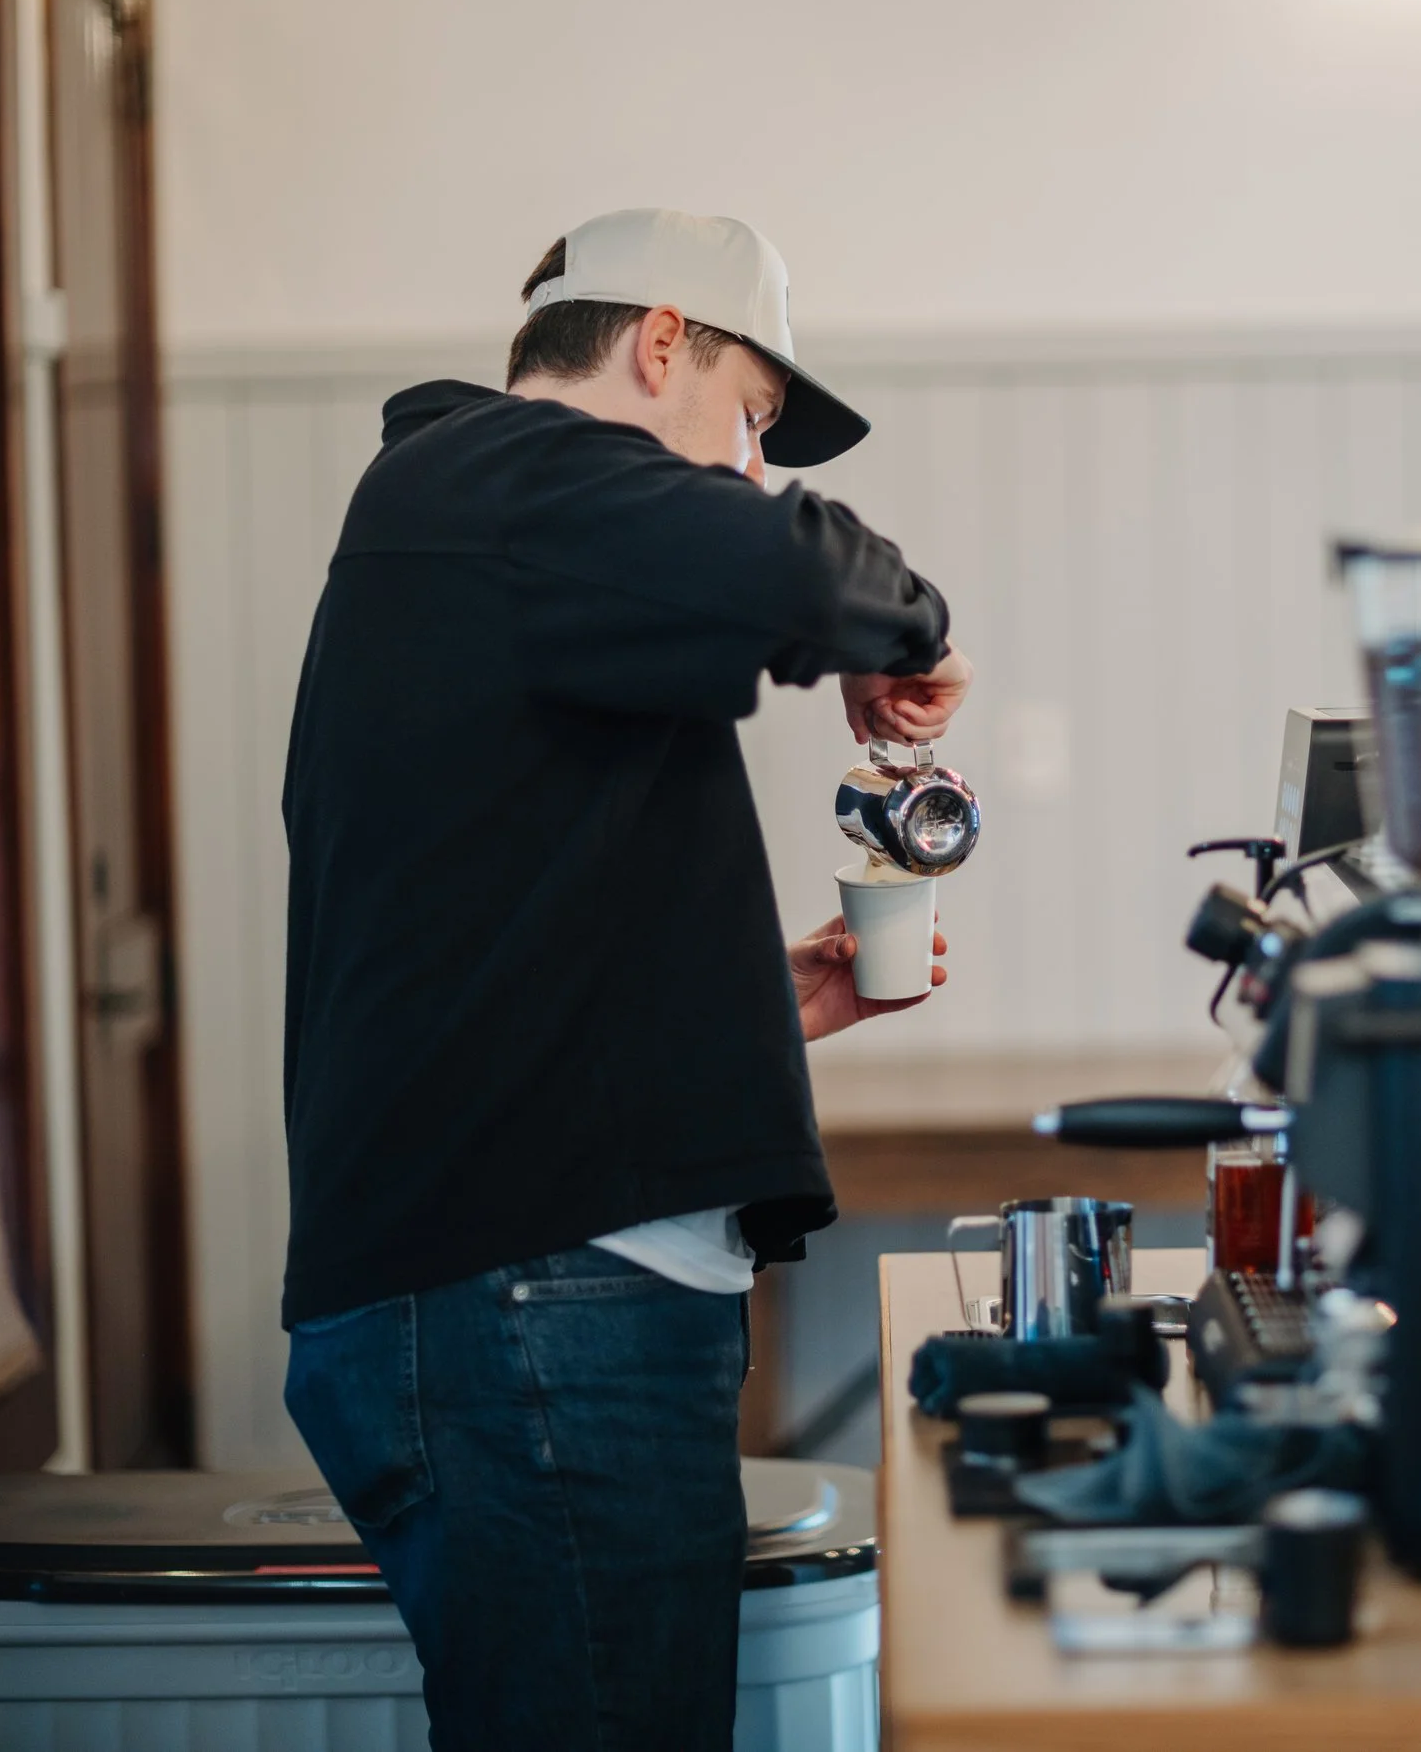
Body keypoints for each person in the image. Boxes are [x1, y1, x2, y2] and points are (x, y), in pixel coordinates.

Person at [278, 207, 972, 1749]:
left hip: (531, 1287)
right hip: (535, 1303)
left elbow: (493, 918)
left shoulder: (477, 526)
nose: (752, 466)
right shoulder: (511, 470)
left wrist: (733, 1000)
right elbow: (805, 568)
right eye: (752, 419)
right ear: (661, 340)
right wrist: (901, 627)